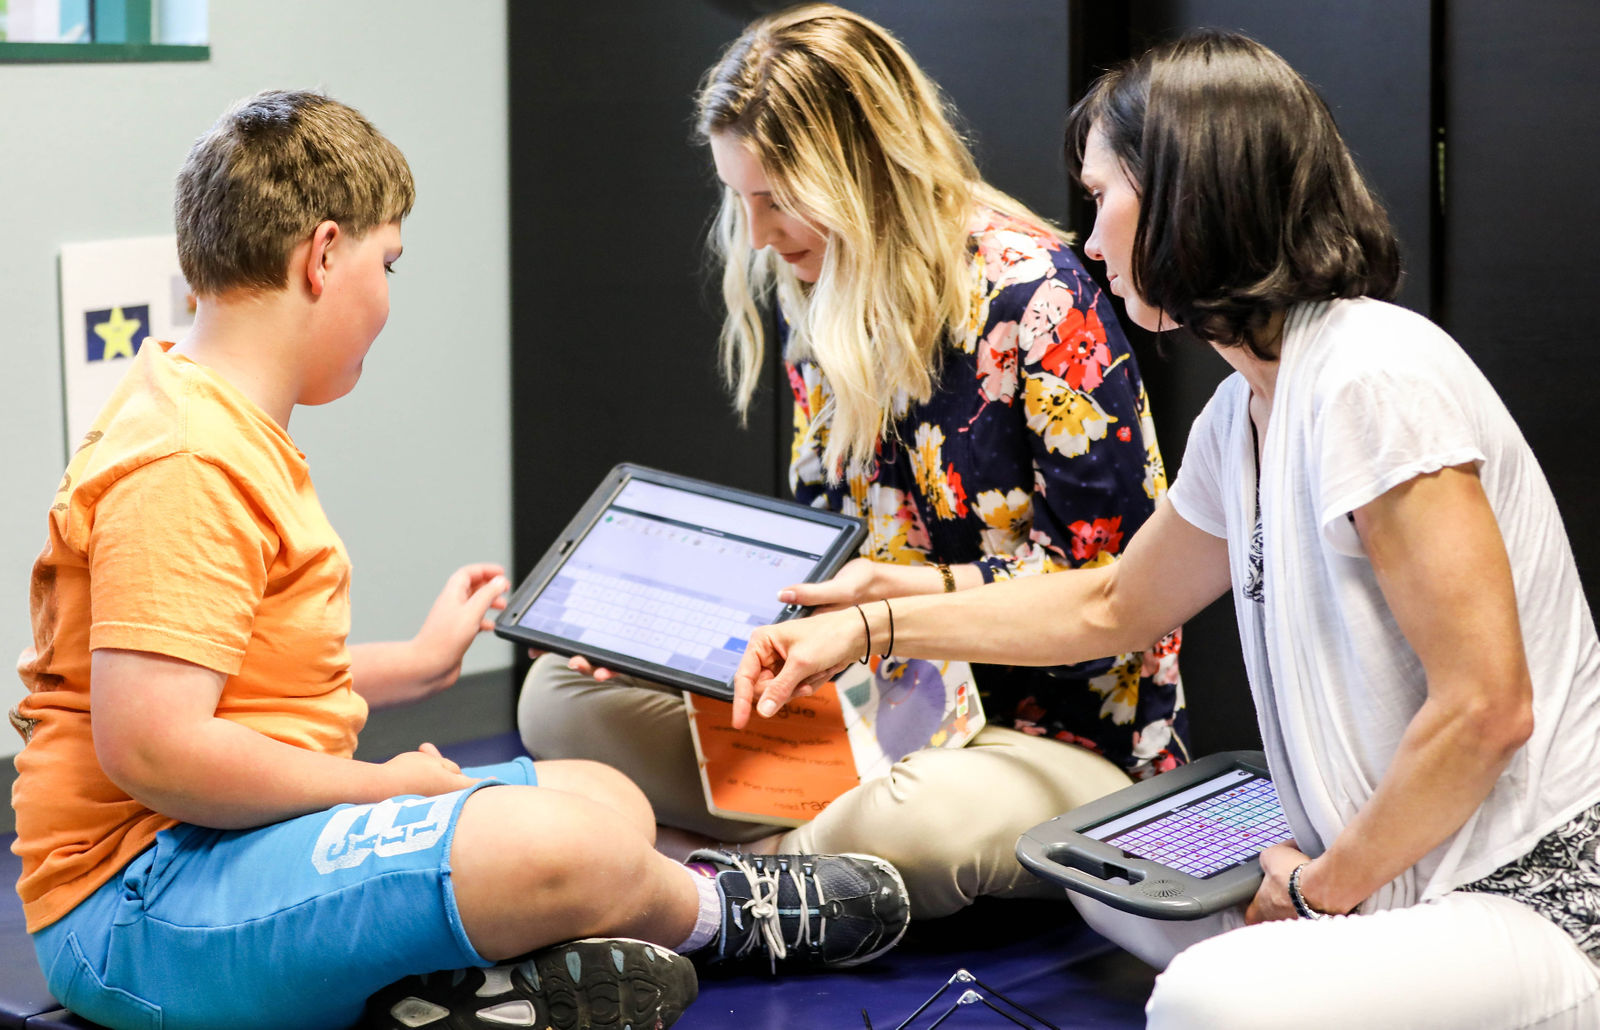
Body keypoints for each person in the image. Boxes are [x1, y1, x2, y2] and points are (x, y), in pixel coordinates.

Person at [731, 29, 1600, 1030]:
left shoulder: (1372, 377)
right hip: (1379, 876)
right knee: (1104, 869)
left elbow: (1486, 709)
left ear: (1190, 192)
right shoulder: (1243, 412)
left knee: (1201, 999)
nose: (1091, 243)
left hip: (1529, 899)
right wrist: (876, 623)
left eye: (1102, 198)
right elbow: (1111, 600)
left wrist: (1315, 892)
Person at [7, 89, 910, 1030]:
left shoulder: (212, 420)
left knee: (603, 796)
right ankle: (722, 915)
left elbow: (216, 679)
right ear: (322, 256)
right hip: (140, 908)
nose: (388, 297)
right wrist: (380, 784)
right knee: (571, 847)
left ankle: (458, 991)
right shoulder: (187, 460)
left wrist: (415, 665)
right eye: (386, 262)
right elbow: (154, 744)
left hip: (221, 849)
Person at [517, 2, 1187, 921]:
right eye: (738, 198)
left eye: (777, 199)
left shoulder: (1039, 298)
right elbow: (828, 561)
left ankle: (709, 876)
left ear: (865, 171)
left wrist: (893, 622)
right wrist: (676, 637)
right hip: (863, 717)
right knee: (559, 695)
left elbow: (1119, 598)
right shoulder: (818, 294)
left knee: (919, 828)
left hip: (1037, 736)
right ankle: (788, 867)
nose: (756, 235)